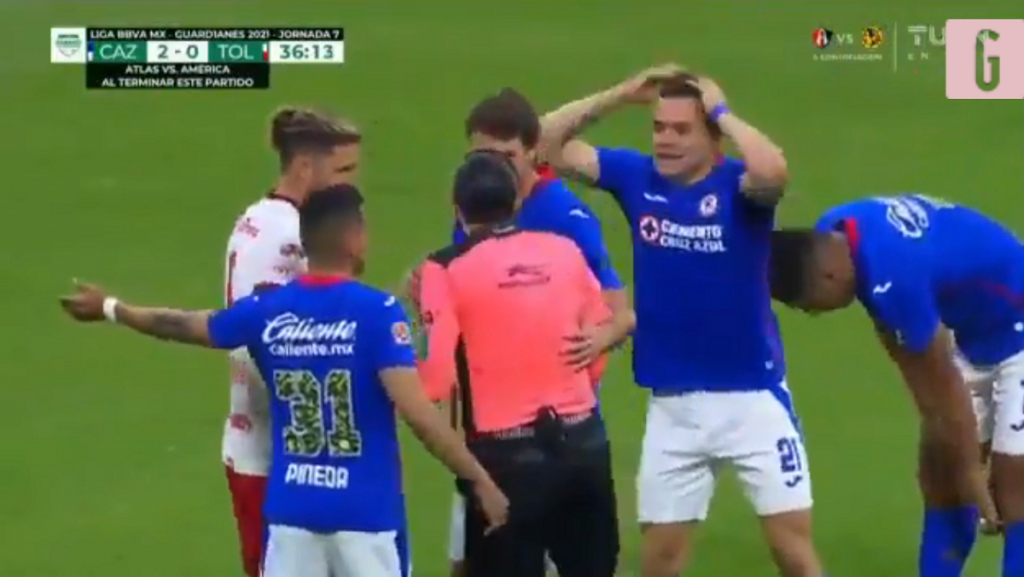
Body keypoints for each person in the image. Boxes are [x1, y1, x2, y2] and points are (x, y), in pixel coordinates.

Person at [59, 184, 509, 577]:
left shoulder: (267, 311)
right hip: (366, 517)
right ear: (353, 238)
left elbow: (182, 324)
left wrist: (111, 308)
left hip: (293, 515)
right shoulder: (377, 313)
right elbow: (420, 417)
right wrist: (479, 479)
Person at [538, 66, 827, 577]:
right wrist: (620, 94)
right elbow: (544, 143)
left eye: (681, 129)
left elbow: (773, 171)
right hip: (673, 408)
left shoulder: (739, 189)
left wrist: (722, 111)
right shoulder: (636, 178)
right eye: (658, 127)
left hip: (751, 401)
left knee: (793, 553)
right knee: (660, 562)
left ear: (713, 139)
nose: (665, 140)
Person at [768, 193, 1022, 576]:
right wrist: (960, 461)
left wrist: (972, 471)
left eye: (810, 306)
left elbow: (943, 385)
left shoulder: (892, 280)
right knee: (941, 472)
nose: (814, 314)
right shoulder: (836, 228)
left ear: (828, 277)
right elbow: (919, 376)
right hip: (976, 334)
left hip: (1019, 327)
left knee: (1013, 483)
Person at [412, 151, 635, 577]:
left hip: (504, 460)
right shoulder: (565, 251)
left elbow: (436, 381)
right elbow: (596, 352)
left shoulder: (443, 268)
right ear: (516, 202)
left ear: (457, 210)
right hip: (584, 446)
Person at [221, 106, 368, 577]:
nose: (351, 187)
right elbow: (265, 342)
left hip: (263, 448)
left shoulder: (255, 218)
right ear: (305, 166)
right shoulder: (292, 236)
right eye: (342, 171)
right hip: (278, 458)